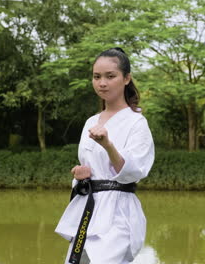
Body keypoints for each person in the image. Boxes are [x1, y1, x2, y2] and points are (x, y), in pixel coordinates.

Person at [55, 47, 155, 264]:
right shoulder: (91, 121)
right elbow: (91, 168)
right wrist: (80, 175)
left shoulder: (136, 122)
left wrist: (108, 145)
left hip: (119, 212)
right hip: (88, 209)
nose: (102, 83)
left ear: (126, 78)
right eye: (97, 77)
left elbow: (133, 172)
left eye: (110, 76)